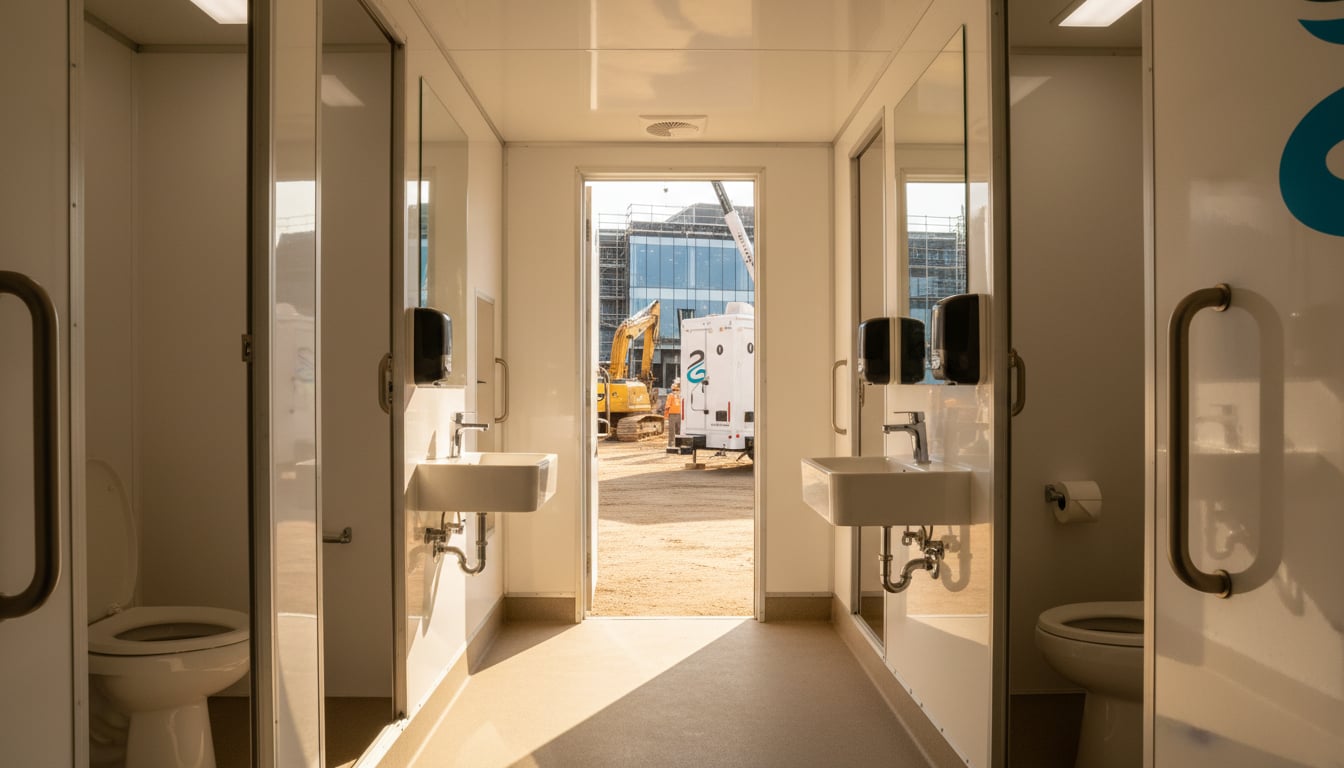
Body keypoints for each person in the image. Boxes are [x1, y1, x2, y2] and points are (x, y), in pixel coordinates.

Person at [664, 380, 682, 452]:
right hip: (672, 414)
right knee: (672, 430)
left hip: (679, 414)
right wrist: (666, 415)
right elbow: (667, 406)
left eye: (677, 390)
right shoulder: (670, 396)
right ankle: (671, 444)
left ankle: (678, 444)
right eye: (674, 390)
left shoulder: (681, 396)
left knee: (679, 431)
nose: (675, 391)